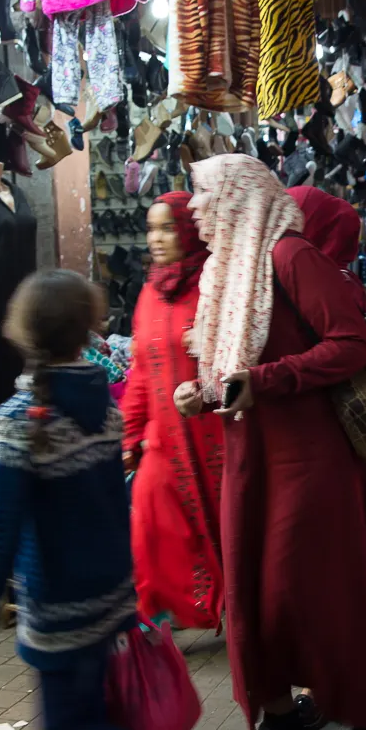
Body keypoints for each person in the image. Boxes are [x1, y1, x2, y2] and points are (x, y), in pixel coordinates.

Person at [174, 155, 366, 730]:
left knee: (305, 590)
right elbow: (227, 368)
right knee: (251, 590)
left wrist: (265, 380)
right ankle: (279, 716)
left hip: (306, 459)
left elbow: (352, 344)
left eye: (204, 193)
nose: (193, 207)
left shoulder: (290, 257)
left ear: (239, 197)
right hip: (251, 454)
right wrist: (204, 391)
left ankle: (364, 700)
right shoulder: (226, 272)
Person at [0, 270, 152, 730]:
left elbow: (0, 533)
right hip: (111, 595)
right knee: (97, 716)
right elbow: (115, 506)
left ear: (24, 330)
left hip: (59, 609)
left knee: (67, 727)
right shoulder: (106, 411)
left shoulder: (16, 422)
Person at [289, 185, 366, 661]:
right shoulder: (335, 278)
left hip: (344, 437)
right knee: (346, 544)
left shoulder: (326, 284)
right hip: (348, 436)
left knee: (341, 545)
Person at [120, 192, 225, 631]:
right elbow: (140, 371)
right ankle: (156, 617)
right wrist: (129, 438)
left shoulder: (216, 285)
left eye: (166, 228)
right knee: (149, 527)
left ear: (188, 230)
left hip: (215, 441)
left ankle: (232, 610)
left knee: (222, 534)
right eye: (151, 229)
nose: (156, 239)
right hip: (164, 440)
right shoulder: (150, 291)